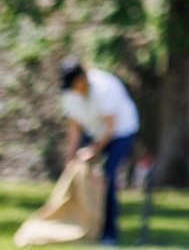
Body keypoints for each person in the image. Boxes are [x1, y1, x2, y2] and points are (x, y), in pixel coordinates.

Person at [58, 57, 139, 245]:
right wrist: (70, 156)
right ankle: (82, 224)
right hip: (94, 129)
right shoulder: (70, 93)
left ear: (81, 78)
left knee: (108, 176)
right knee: (79, 172)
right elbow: (74, 127)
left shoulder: (104, 88)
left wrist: (92, 151)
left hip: (120, 132)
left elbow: (110, 128)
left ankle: (109, 232)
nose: (72, 89)